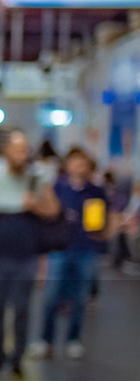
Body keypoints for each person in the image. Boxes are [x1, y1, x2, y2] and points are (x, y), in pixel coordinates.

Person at [0, 130, 58, 376]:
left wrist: (35, 205)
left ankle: (17, 357)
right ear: (6, 151)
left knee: (22, 309)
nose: (22, 154)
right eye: (17, 149)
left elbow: (53, 211)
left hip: (27, 256)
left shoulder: (37, 177)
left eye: (25, 149)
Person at [30, 148, 115, 359]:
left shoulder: (96, 191)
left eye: (83, 163)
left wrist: (106, 233)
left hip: (85, 251)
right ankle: (45, 340)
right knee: (51, 298)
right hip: (59, 250)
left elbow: (111, 214)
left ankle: (73, 340)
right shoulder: (58, 187)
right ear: (67, 165)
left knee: (79, 299)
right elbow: (45, 213)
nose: (79, 167)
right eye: (75, 162)